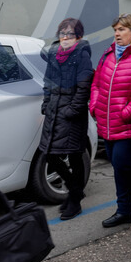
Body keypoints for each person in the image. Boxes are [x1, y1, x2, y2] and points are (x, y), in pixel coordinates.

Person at [89, 13, 131, 228]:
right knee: (119, 167)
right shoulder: (108, 54)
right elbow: (97, 83)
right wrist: (95, 106)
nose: (117, 33)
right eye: (116, 30)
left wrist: (127, 112)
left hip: (127, 123)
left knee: (122, 162)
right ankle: (124, 210)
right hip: (106, 122)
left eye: (122, 29)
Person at [39, 18, 94, 221]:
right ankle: (75, 191)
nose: (65, 37)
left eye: (70, 34)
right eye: (62, 33)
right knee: (51, 155)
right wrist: (46, 104)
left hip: (71, 114)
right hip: (54, 111)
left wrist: (72, 110)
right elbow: (47, 82)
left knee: (74, 155)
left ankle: (75, 200)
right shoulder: (54, 54)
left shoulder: (82, 55)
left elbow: (84, 85)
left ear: (78, 36)